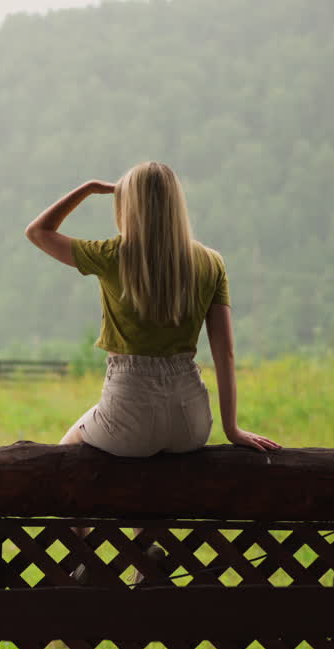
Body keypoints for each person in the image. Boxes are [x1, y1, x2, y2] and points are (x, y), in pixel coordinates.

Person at [25, 161, 280, 457]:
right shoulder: (212, 262)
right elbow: (225, 353)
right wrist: (232, 429)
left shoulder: (112, 255)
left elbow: (38, 232)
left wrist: (89, 189)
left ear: (128, 205)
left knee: (65, 451)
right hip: (191, 422)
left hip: (129, 414)